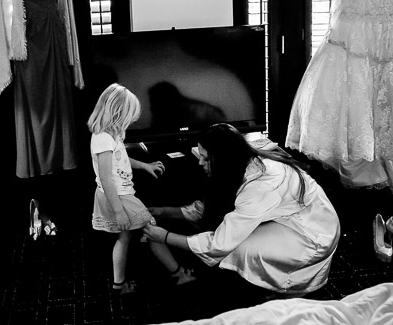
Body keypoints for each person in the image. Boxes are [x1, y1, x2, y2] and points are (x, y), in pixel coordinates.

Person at [143, 123, 341, 296]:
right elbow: (215, 204)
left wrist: (164, 236)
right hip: (294, 215)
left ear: (223, 158)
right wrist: (165, 212)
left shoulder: (260, 187)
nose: (199, 162)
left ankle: (282, 289)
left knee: (236, 248)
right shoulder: (243, 163)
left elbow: (219, 244)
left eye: (205, 158)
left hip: (312, 231)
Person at [88, 83, 178, 295]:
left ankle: (118, 285)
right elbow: (106, 177)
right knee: (151, 229)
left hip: (120, 194)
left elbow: (121, 158)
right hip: (118, 196)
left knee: (125, 237)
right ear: (117, 113)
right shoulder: (102, 138)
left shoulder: (112, 135)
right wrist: (118, 210)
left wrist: (145, 166)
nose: (131, 122)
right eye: (129, 117)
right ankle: (178, 273)